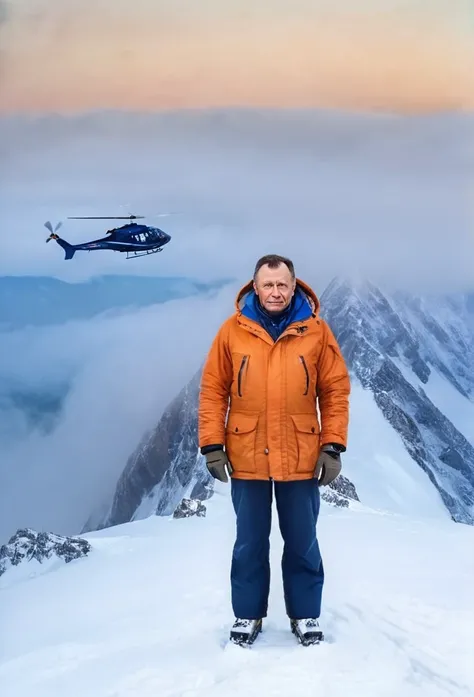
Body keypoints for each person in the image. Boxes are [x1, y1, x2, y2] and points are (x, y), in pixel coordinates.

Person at [198, 254, 350, 646]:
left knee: (302, 542)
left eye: (283, 284)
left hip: (300, 455)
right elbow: (214, 389)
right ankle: (248, 615)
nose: (276, 292)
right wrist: (212, 444)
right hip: (247, 454)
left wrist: (332, 445)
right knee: (249, 542)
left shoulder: (316, 332)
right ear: (255, 287)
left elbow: (334, 390)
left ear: (294, 286)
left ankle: (305, 616)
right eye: (268, 285)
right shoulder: (231, 332)